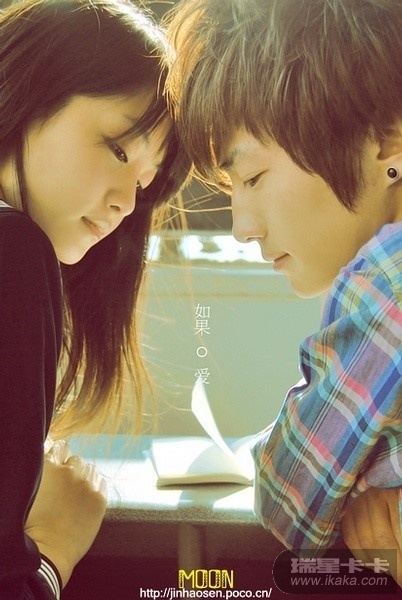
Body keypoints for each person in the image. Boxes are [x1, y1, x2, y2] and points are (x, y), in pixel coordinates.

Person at [165, 0, 402, 586]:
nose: (242, 227)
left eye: (253, 177)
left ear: (386, 139)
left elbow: (290, 498)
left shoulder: (388, 275)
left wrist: (355, 489)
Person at [0, 0, 189, 598]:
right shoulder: (13, 250)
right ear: (27, 92)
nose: (127, 203)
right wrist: (55, 548)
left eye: (144, 182)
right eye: (118, 149)